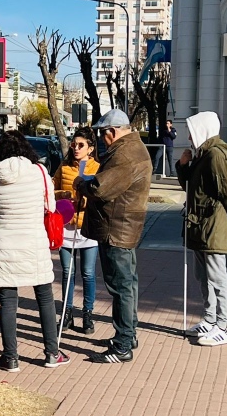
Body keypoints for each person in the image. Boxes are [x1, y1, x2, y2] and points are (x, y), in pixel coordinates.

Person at [0, 130, 71, 373]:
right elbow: (51, 206)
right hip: (33, 242)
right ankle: (51, 353)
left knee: (8, 302)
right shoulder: (39, 172)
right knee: (45, 298)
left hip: (4, 244)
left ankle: (10, 358)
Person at [74, 109, 151, 364]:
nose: (102, 139)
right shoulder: (133, 148)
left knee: (120, 286)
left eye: (103, 134)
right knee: (127, 284)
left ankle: (123, 345)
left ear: (113, 132)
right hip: (123, 226)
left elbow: (101, 188)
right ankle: (128, 336)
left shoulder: (125, 154)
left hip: (116, 228)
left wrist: (82, 183)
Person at [176, 111, 227, 347]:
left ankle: (222, 326)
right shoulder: (202, 154)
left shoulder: (215, 155)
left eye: (192, 132)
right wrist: (183, 166)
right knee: (202, 275)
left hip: (212, 226)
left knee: (216, 276)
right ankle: (209, 318)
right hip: (200, 226)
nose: (189, 137)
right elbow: (189, 187)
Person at [52, 127, 100, 335]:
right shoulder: (63, 168)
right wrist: (63, 195)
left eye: (81, 145)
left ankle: (88, 314)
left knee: (88, 273)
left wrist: (88, 196)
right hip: (66, 227)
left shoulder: (98, 167)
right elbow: (50, 191)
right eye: (74, 144)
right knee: (67, 272)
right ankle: (67, 313)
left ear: (90, 148)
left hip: (88, 228)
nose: (76, 148)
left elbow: (103, 194)